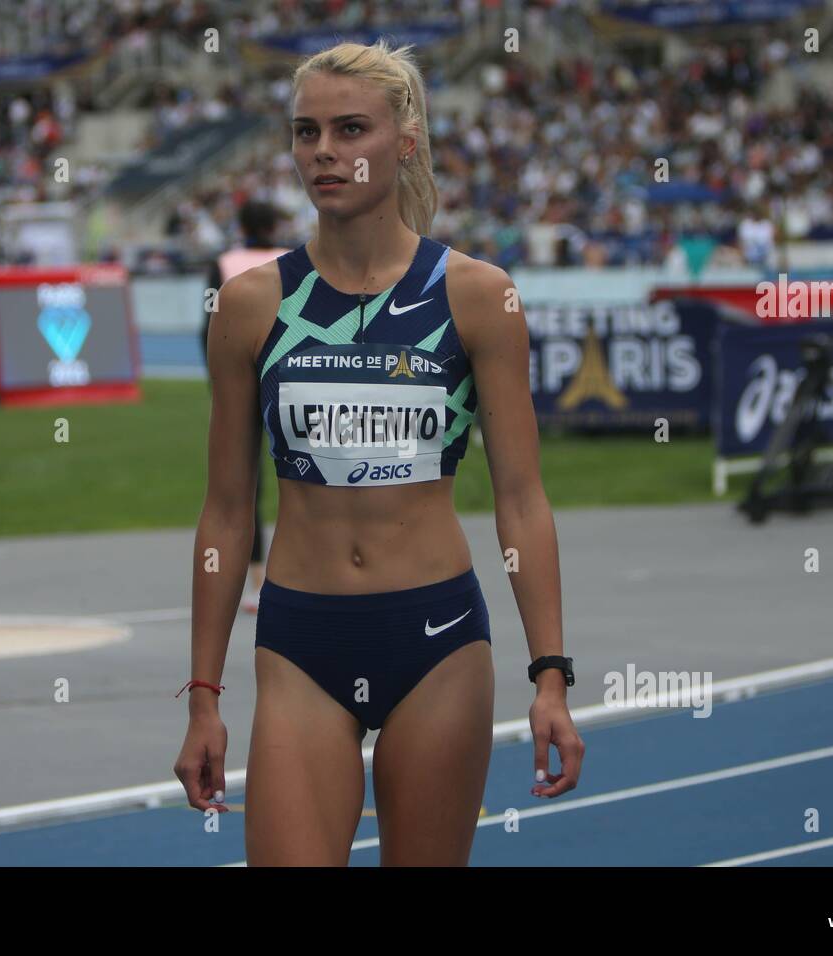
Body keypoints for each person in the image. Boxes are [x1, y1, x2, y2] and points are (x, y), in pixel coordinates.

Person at [174, 39, 583, 866]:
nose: (324, 151)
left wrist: (550, 674)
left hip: (436, 638)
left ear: (405, 142)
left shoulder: (476, 295)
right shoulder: (252, 304)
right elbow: (224, 511)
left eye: (350, 129)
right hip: (299, 643)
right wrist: (204, 697)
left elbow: (521, 500)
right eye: (306, 131)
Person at [200, 201, 291, 612]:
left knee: (242, 488)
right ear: (273, 224)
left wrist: (219, 385)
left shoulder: (225, 262)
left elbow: (210, 325)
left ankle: (255, 580)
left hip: (244, 380)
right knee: (307, 479)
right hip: (292, 378)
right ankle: (301, 571)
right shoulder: (294, 261)